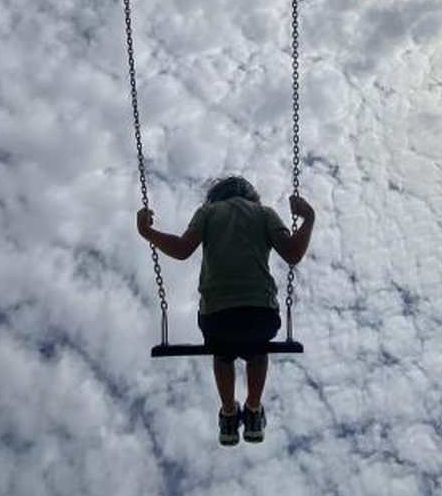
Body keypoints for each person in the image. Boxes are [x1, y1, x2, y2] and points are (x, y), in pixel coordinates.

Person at [135, 176, 315, 446]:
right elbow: (292, 253)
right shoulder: (264, 213)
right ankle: (253, 409)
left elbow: (182, 249)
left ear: (216, 195)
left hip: (217, 317)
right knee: (258, 352)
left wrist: (147, 232)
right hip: (261, 314)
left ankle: (229, 413)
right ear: (252, 196)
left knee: (222, 355)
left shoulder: (208, 212)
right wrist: (309, 217)